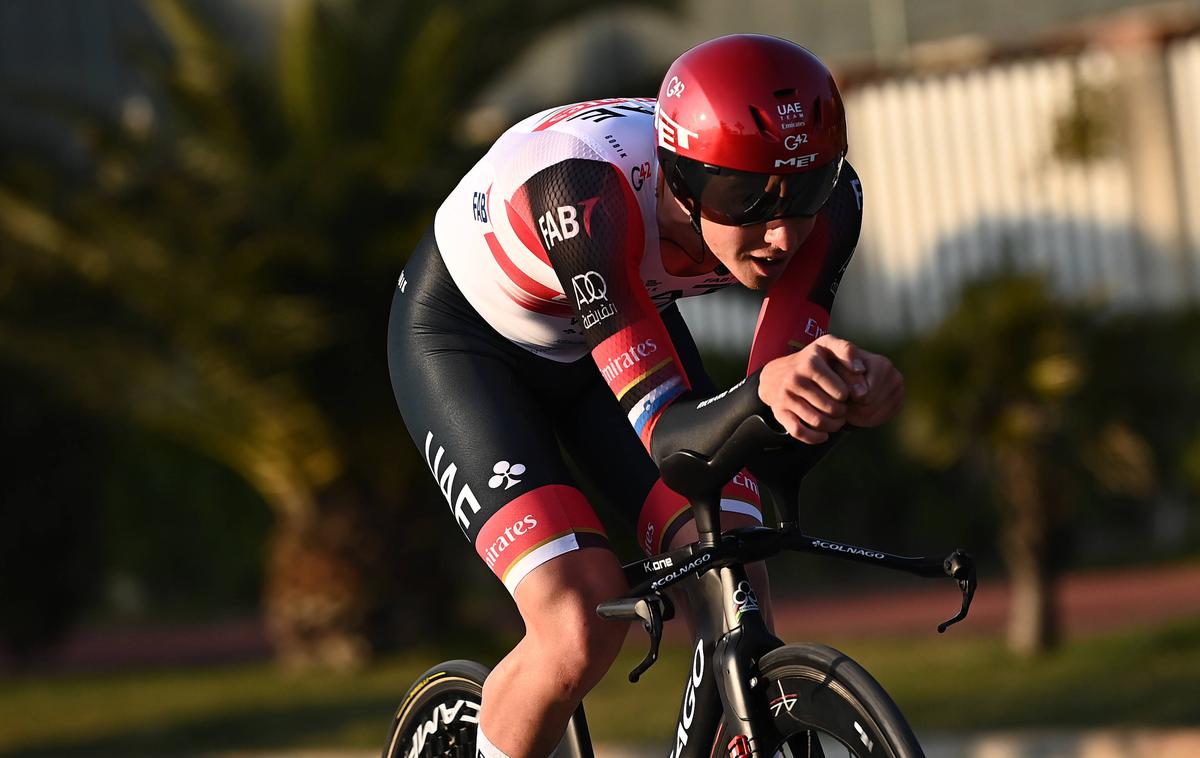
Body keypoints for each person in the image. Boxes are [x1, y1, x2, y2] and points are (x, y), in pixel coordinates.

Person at [387, 33, 904, 758]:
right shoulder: (584, 191)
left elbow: (768, 422)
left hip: (611, 325)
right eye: (747, 200)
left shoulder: (829, 213)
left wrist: (841, 396)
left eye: (807, 190)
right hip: (469, 345)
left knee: (733, 565)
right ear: (682, 181)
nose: (781, 232)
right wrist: (770, 393)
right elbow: (671, 438)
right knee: (577, 623)